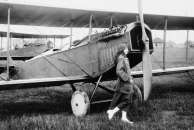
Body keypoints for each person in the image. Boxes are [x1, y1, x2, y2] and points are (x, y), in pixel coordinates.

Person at [107, 44, 134, 124]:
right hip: (124, 83)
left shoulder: (123, 58)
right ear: (122, 50)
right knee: (127, 100)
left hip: (125, 83)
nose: (127, 50)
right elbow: (119, 71)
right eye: (126, 49)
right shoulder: (121, 58)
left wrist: (130, 77)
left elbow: (125, 70)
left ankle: (123, 117)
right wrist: (128, 78)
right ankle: (112, 111)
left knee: (125, 98)